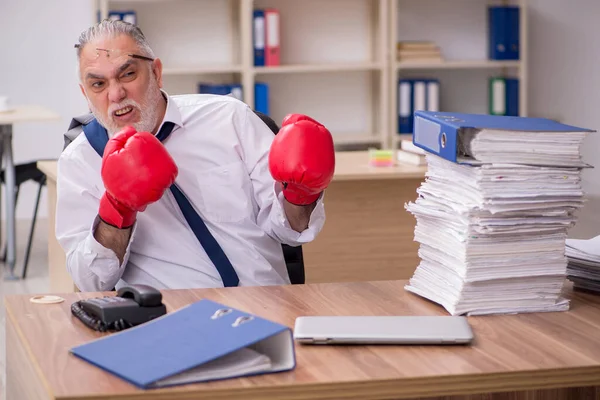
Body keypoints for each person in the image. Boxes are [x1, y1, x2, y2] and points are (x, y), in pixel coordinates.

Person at [56, 19, 335, 292]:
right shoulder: (81, 161)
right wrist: (116, 210)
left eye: (127, 74)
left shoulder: (229, 118)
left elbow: (291, 231)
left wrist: (302, 194)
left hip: (265, 305)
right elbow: (91, 282)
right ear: (85, 94)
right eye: (98, 85)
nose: (115, 94)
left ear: (156, 72)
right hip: (169, 320)